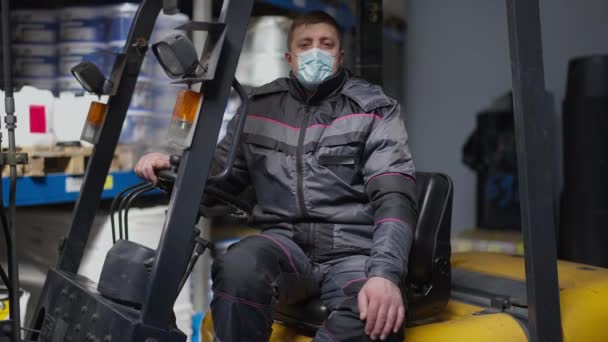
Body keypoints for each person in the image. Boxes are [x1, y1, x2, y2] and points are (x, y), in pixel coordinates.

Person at [135, 11, 417, 342]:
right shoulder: (259, 108)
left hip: (353, 253)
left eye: (326, 44)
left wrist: (385, 274)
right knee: (238, 266)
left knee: (376, 317)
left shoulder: (373, 109)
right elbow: (219, 178)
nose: (316, 52)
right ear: (290, 57)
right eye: (305, 44)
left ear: (340, 55)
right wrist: (174, 165)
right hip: (286, 247)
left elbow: (394, 198)